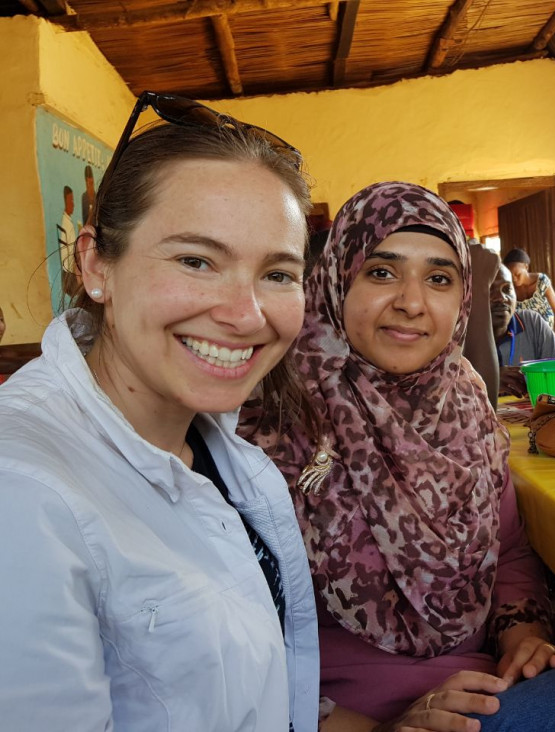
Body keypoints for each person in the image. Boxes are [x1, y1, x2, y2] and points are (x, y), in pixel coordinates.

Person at [240, 181, 555, 732]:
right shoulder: (270, 415)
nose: (411, 302)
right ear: (336, 279)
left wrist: (522, 634)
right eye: (381, 272)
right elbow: (223, 654)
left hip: (485, 677)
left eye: (438, 278)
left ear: (461, 297)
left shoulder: (464, 402)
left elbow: (506, 552)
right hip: (345, 713)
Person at [0, 92, 320, 730]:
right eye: (196, 261)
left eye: (278, 274)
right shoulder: (23, 493)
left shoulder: (227, 454)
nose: (245, 314)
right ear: (96, 265)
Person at [491, 263, 555, 397]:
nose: (501, 298)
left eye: (507, 289)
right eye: (489, 290)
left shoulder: (532, 323)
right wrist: (488, 381)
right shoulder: (459, 334)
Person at [501, 248, 555, 346]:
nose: (514, 279)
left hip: (554, 332)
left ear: (526, 267)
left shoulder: (541, 282)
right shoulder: (510, 291)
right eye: (511, 276)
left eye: (517, 274)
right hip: (533, 339)